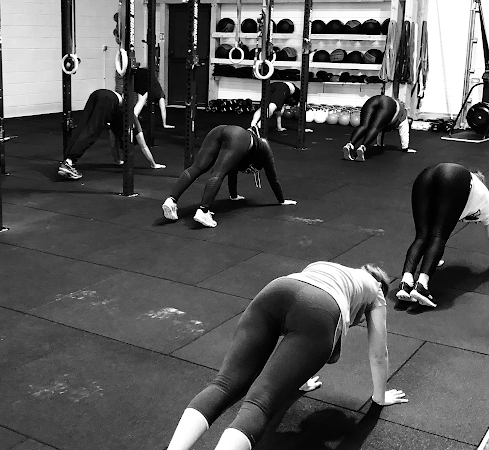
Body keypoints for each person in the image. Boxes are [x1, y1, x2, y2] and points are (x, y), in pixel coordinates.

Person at [165, 261, 407, 450]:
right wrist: (379, 397)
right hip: (320, 308)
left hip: (277, 290)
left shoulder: (327, 267)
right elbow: (378, 353)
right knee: (260, 403)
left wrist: (299, 378)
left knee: (223, 384)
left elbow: (296, 312)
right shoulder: (376, 291)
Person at [161, 125, 296, 228]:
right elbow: (273, 179)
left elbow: (232, 171)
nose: (249, 172)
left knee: (196, 167)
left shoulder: (244, 152)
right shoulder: (266, 150)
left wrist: (234, 196)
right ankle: (203, 211)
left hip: (219, 130)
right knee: (218, 172)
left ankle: (171, 200)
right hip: (237, 136)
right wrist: (282, 200)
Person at [397, 163, 489, 307]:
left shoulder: (472, 194)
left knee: (422, 236)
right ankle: (421, 286)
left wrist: (433, 259)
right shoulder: (484, 198)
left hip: (427, 174)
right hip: (454, 176)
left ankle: (406, 282)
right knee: (438, 236)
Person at [57, 88, 165, 180]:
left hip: (98, 93)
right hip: (109, 99)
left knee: (82, 127)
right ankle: (69, 162)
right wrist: (153, 164)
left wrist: (119, 161)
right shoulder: (134, 124)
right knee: (92, 131)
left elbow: (114, 147)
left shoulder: (116, 124)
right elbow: (144, 146)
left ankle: (67, 160)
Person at [343, 94, 415, 162]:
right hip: (388, 104)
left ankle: (349, 144)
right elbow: (404, 133)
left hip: (374, 99)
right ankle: (362, 147)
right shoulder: (403, 116)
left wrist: (379, 144)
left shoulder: (394, 107)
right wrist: (405, 148)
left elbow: (381, 130)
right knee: (375, 128)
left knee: (363, 125)